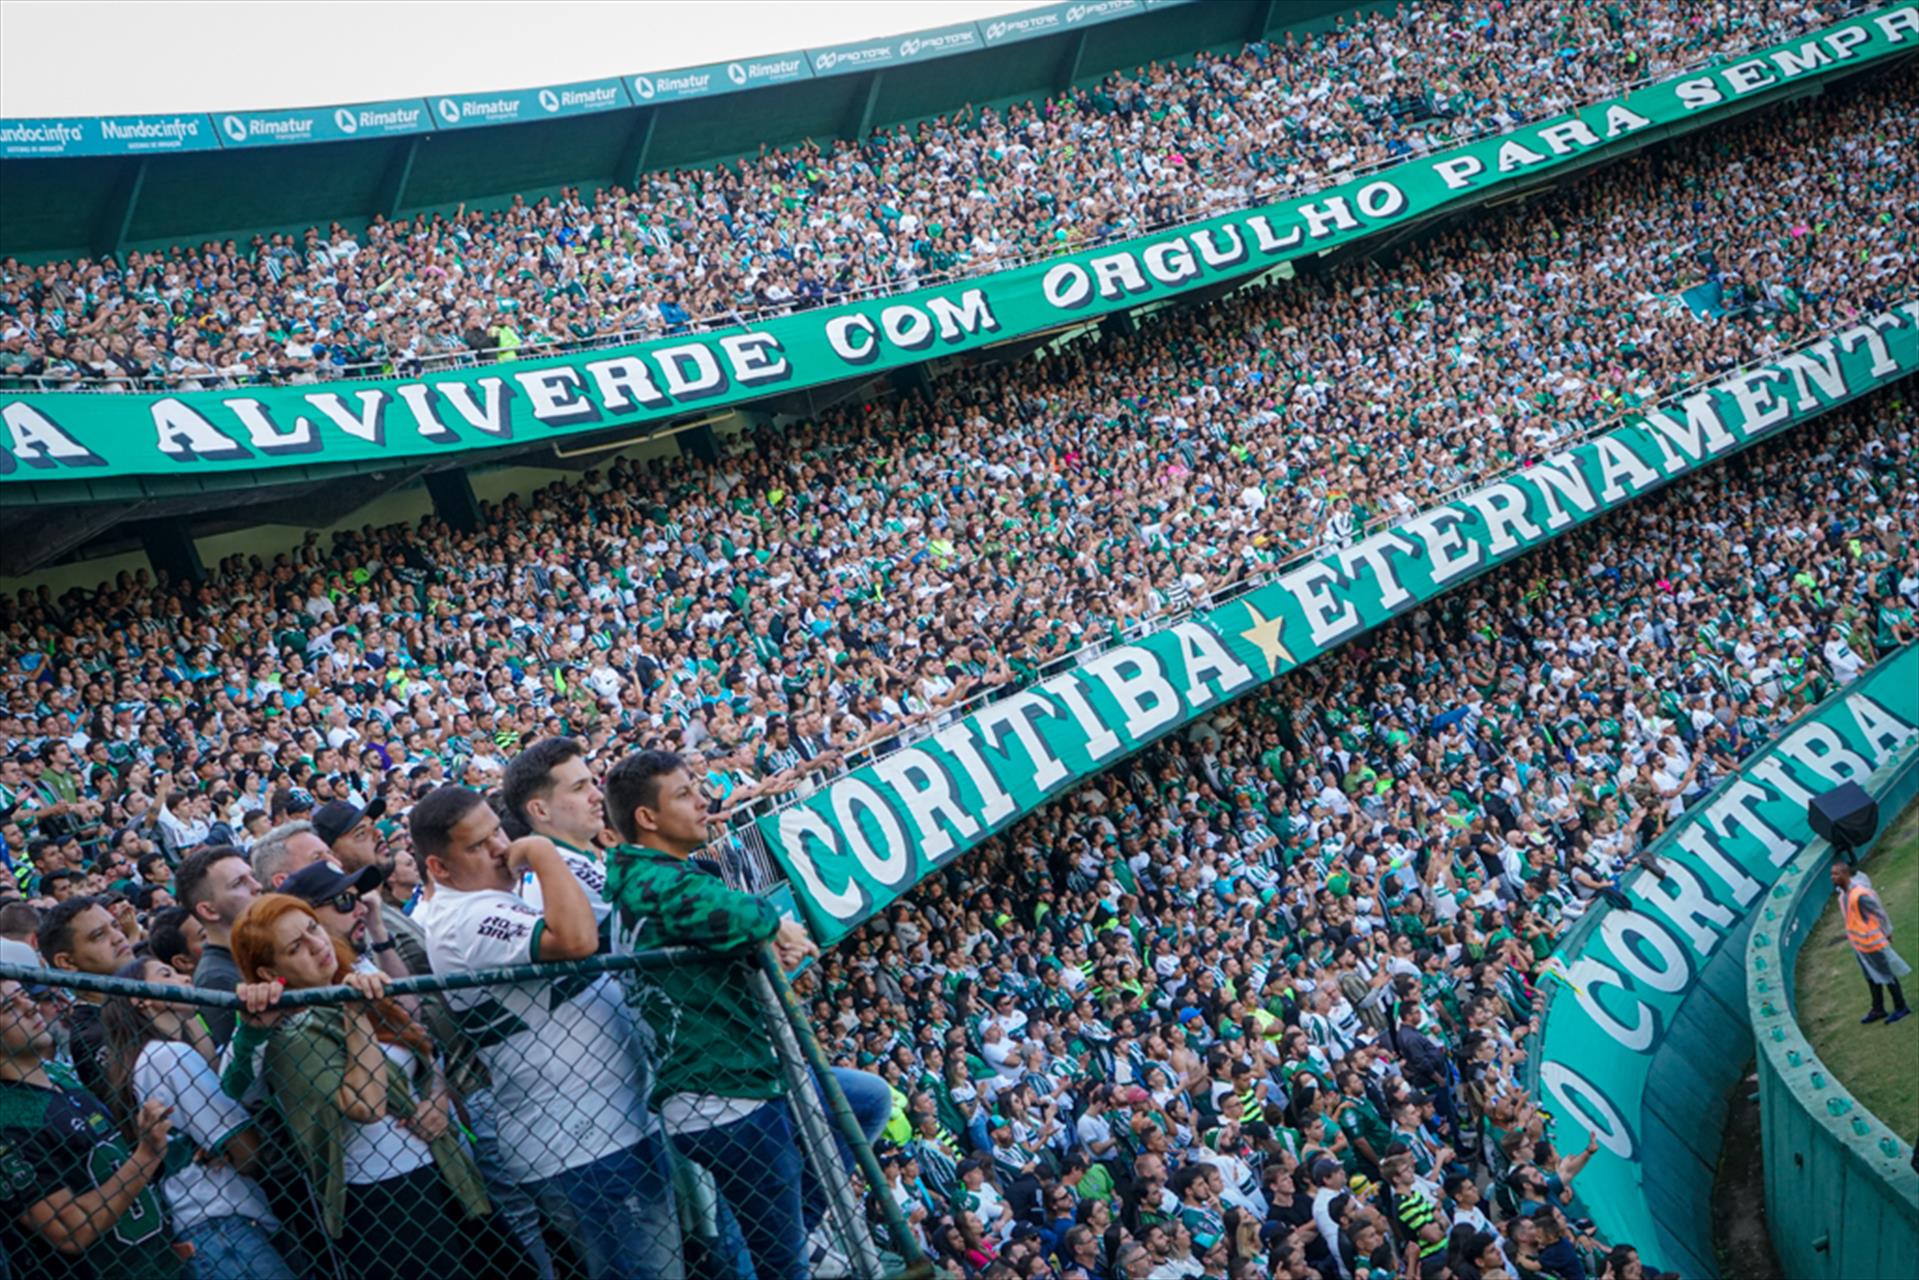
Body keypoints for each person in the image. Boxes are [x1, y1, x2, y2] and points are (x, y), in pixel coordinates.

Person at [600, 748, 892, 1279]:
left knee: (867, 1100)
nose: (703, 802)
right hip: (725, 1097)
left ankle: (799, 1234)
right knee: (783, 1267)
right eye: (684, 794)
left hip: (746, 1079)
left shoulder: (648, 880)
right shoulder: (653, 883)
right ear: (647, 818)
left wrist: (760, 938)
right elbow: (724, 908)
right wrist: (771, 924)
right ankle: (796, 1248)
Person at [411, 783, 679, 1280]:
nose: (499, 850)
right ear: (439, 868)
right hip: (584, 1145)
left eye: (497, 833)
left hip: (612, 1125)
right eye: (477, 846)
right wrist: (540, 851)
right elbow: (576, 940)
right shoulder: (463, 919)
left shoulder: (491, 900)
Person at [229, 893, 523, 1280]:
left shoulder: (352, 977)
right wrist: (354, 1011)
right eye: (296, 947)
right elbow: (367, 1105)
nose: (318, 945)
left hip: (445, 1170)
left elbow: (422, 1049)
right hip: (385, 1197)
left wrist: (435, 1100)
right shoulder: (294, 1032)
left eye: (313, 928)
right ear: (270, 973)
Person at [99, 956, 293, 1279]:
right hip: (224, 1224)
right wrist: (230, 1146)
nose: (185, 978)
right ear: (142, 999)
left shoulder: (147, 1057)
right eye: (167, 974)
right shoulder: (169, 1055)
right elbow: (247, 1152)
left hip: (209, 1225)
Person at [0, 975, 183, 1278]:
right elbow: (69, 1229)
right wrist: (146, 1155)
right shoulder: (9, 1117)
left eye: (23, 995)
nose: (30, 1007)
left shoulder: (59, 1074)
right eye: (9, 1007)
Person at [36, 894, 134, 1100]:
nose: (118, 937)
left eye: (115, 926)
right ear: (67, 962)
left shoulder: (133, 998)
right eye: (99, 936)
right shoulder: (92, 1036)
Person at [176, 844, 262, 1051]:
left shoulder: (253, 953)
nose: (257, 886)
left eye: (252, 876)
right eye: (238, 883)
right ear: (209, 910)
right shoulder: (216, 979)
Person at [1832, 859, 1912, 1025]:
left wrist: (1887, 932)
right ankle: (1878, 1008)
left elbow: (1879, 913)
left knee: (1886, 975)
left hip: (1872, 943)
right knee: (1870, 976)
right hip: (1859, 944)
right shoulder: (1844, 894)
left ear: (1845, 874)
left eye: (1836, 874)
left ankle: (1901, 1006)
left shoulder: (1859, 895)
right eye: (1832, 874)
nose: (1833, 877)